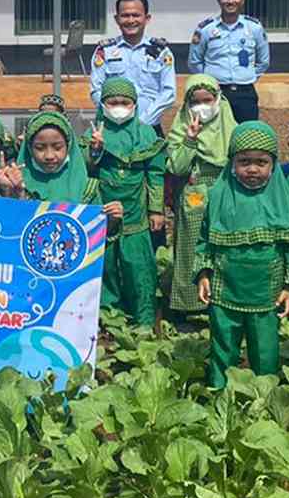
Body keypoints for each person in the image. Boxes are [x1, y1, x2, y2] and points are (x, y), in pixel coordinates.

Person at [196, 122, 289, 384]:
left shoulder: (282, 199)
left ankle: (264, 396)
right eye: (244, 161)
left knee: (265, 349)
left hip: (266, 291)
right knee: (223, 345)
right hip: (225, 287)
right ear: (232, 162)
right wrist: (203, 273)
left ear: (273, 164)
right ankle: (220, 393)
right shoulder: (220, 195)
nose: (252, 169)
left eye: (261, 162)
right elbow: (204, 239)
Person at [88, 78, 165, 328]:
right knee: (106, 266)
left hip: (136, 212)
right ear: (103, 104)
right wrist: (95, 151)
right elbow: (86, 171)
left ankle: (143, 319)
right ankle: (110, 319)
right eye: (113, 102)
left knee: (139, 266)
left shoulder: (146, 133)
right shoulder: (94, 132)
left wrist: (156, 209)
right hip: (104, 210)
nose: (119, 107)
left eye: (125, 102)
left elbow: (154, 173)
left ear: (135, 104)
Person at [165, 74, 234, 324]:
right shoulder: (181, 130)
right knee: (189, 249)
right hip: (193, 198)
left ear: (219, 100)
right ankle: (188, 306)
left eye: (209, 99)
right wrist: (191, 139)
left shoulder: (232, 129)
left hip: (224, 196)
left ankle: (222, 304)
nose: (203, 106)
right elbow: (177, 167)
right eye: (196, 101)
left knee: (221, 249)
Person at [90, 0, 176, 130]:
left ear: (147, 18)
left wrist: (144, 121)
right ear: (117, 19)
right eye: (125, 15)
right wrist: (114, 116)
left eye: (136, 15)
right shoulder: (105, 51)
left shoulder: (161, 52)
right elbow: (96, 90)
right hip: (113, 127)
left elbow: (168, 93)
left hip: (148, 126)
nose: (130, 20)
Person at [189, 0, 270, 123]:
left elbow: (263, 61)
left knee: (245, 136)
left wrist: (247, 76)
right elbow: (195, 62)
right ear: (219, 0)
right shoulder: (206, 29)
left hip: (245, 93)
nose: (230, 1)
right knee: (214, 136)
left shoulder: (254, 28)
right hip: (215, 93)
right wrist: (208, 84)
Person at [18, 111, 93, 203]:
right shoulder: (17, 184)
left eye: (57, 147)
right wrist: (10, 191)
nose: (49, 156)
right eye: (40, 148)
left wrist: (112, 213)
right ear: (29, 149)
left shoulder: (87, 189)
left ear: (69, 146)